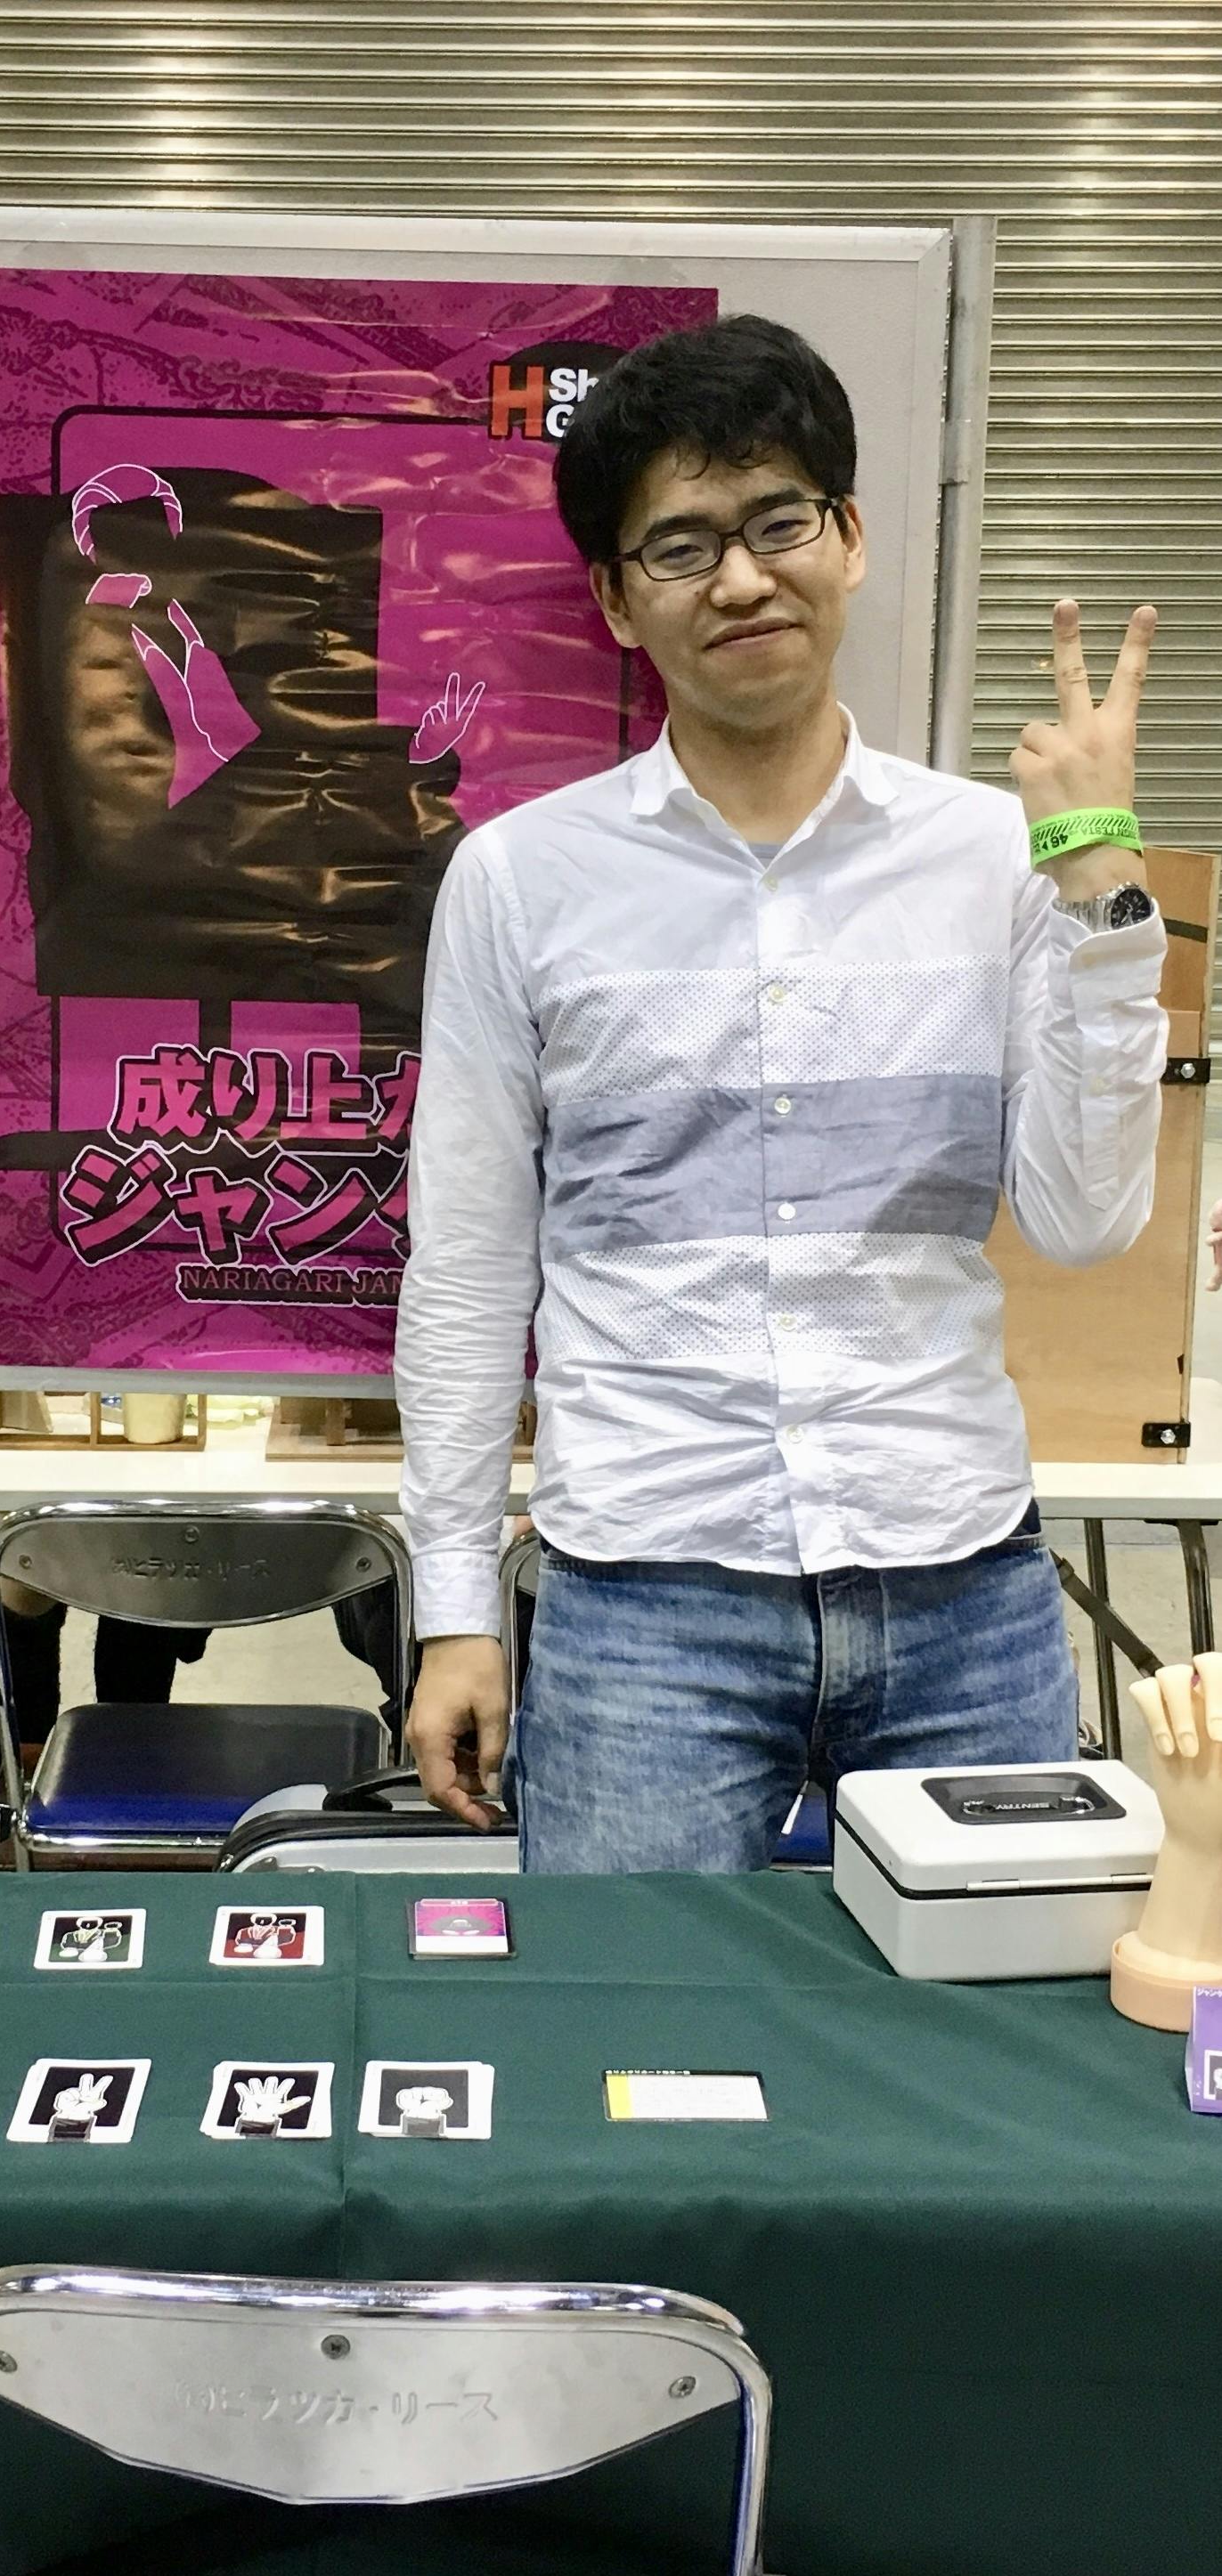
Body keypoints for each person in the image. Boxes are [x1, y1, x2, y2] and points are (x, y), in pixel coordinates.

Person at [397, 313, 1165, 1872]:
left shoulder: (991, 857)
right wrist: (454, 1609)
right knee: (631, 2015)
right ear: (615, 599)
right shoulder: (520, 880)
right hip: (643, 1603)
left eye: (777, 523)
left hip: (961, 1585)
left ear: (849, 538)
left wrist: (1098, 885)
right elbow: (467, 1270)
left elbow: (1084, 1226)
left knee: (986, 2016)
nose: (740, 580)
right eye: (680, 547)